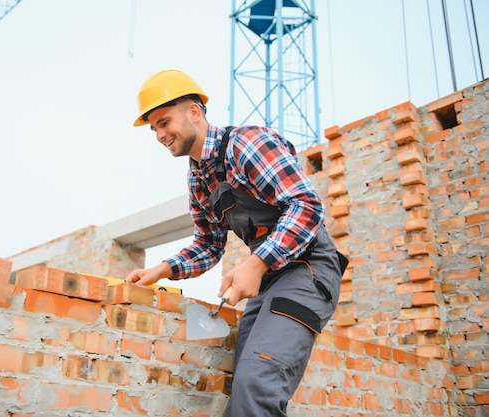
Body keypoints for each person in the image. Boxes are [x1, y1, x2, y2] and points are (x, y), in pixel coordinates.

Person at [125, 69, 347, 417]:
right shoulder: (198, 179)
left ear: (195, 112)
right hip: (270, 279)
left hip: (309, 269)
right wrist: (162, 269)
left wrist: (255, 264)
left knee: (257, 384)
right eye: (153, 128)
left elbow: (306, 205)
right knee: (242, 390)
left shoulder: (247, 144)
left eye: (164, 122)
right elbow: (209, 245)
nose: (160, 134)